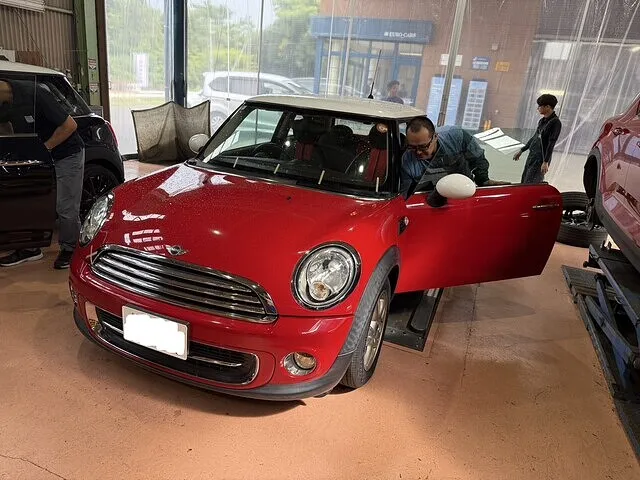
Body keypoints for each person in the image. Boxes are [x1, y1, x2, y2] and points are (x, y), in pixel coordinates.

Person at [0, 79, 85, 269]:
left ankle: (71, 249)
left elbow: (70, 125)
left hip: (66, 154)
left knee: (65, 206)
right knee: (31, 201)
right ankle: (30, 248)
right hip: (36, 157)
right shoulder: (3, 104)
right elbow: (5, 126)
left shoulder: (36, 94)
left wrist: (43, 149)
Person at [400, 116, 503, 193]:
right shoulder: (407, 161)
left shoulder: (456, 137)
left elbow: (477, 157)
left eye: (423, 147)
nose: (418, 152)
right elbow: (409, 192)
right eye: (412, 147)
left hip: (464, 189)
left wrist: (483, 179)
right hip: (429, 195)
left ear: (435, 137)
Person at [513, 94, 562, 184]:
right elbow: (535, 137)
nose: (538, 108)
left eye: (540, 106)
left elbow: (551, 143)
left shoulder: (555, 122)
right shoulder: (542, 121)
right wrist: (522, 150)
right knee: (525, 180)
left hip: (541, 158)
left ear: (547, 107)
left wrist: (545, 162)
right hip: (532, 155)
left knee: (532, 182)